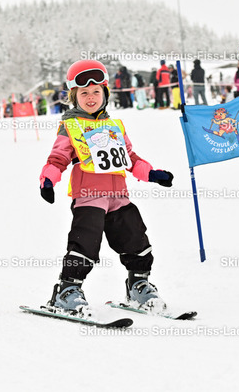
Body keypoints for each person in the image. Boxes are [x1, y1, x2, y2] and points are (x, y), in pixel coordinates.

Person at [39, 59, 174, 314]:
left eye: (96, 91)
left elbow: (130, 158)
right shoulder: (71, 126)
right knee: (85, 242)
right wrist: (48, 180)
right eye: (84, 93)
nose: (91, 97)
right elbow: (57, 158)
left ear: (105, 94)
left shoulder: (114, 127)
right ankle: (67, 290)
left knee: (135, 238)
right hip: (89, 196)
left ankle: (138, 285)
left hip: (119, 197)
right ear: (74, 97)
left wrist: (152, 174)